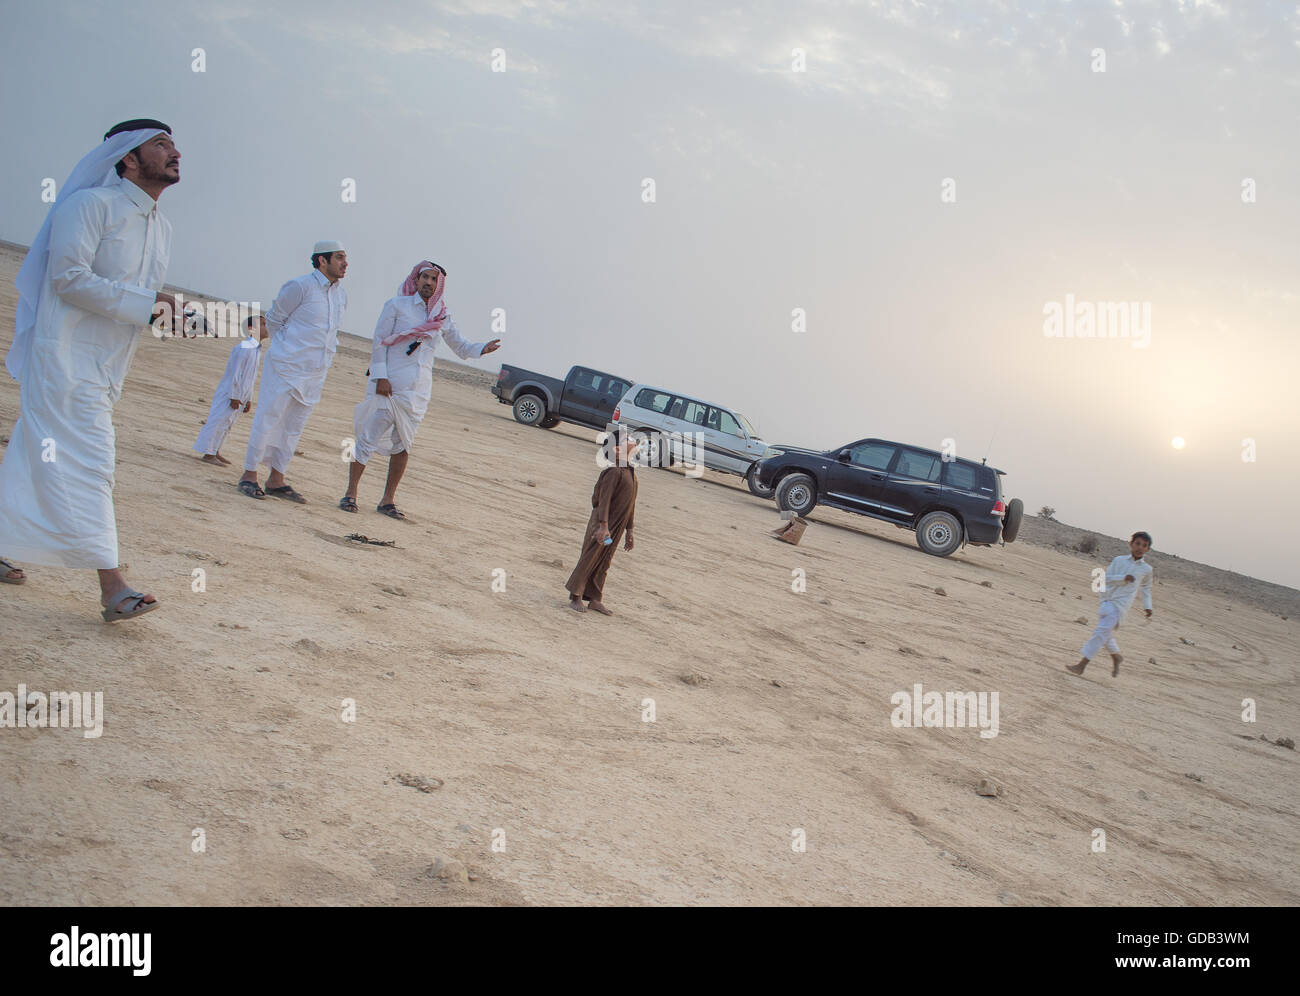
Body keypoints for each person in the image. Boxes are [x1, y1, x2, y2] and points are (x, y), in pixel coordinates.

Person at [0, 119, 180, 620]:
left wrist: (168, 316)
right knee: (93, 462)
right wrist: (149, 305)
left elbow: (131, 301)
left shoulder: (161, 227)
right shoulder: (88, 207)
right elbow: (68, 278)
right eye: (160, 144)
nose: (174, 151)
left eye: (173, 143)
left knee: (36, 450)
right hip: (63, 357)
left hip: (106, 368)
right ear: (127, 158)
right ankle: (112, 586)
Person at [341, 261, 501, 519]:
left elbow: (460, 346)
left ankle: (387, 500)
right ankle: (351, 493)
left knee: (403, 445)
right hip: (389, 386)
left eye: (433, 279)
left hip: (417, 392)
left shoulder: (442, 316)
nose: (428, 282)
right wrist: (381, 377)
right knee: (368, 438)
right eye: (424, 277)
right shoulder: (396, 306)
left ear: (439, 285)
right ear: (415, 281)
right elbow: (379, 343)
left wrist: (482, 348)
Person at [238, 241, 348, 502]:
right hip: (286, 366)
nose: (345, 263)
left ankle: (277, 479)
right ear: (322, 261)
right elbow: (275, 319)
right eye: (339, 258)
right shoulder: (299, 286)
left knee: (294, 425)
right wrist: (286, 351)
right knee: (268, 417)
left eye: (346, 258)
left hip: (315, 371)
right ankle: (249, 475)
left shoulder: (341, 294)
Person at [565, 428, 639, 615]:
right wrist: (603, 526)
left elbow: (631, 505)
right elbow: (603, 501)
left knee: (604, 560)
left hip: (616, 528)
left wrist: (629, 530)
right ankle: (576, 596)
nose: (633, 441)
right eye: (628, 439)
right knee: (591, 556)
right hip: (602, 526)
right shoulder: (614, 472)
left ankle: (595, 598)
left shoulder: (630, 472)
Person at [1067, 531, 1155, 678]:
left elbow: (1146, 589)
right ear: (1131, 544)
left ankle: (1082, 665)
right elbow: (1105, 578)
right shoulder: (1119, 560)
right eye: (1138, 543)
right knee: (1105, 633)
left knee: (1100, 632)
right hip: (1106, 600)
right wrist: (1123, 578)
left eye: (1144, 546)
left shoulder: (1146, 569)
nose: (1140, 547)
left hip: (1121, 605)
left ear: (1148, 549)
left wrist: (1148, 606)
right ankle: (1116, 656)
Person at [193, 316, 268, 465]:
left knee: (228, 423)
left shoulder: (256, 350)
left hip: (241, 394)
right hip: (229, 393)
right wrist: (233, 396)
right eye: (263, 324)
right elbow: (235, 373)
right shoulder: (244, 347)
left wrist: (248, 399)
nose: (267, 327)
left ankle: (215, 450)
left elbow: (250, 378)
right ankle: (208, 453)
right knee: (218, 421)